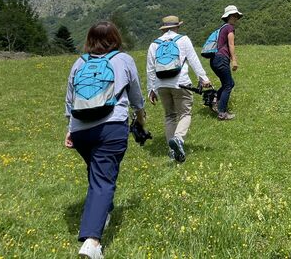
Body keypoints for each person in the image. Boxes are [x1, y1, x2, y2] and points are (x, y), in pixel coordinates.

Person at [64, 21, 146, 259]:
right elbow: (136, 95)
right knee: (103, 180)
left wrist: (70, 130)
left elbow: (69, 101)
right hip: (110, 128)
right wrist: (140, 118)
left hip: (80, 130)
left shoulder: (79, 63)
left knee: (97, 174)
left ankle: (102, 211)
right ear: (116, 38)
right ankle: (92, 242)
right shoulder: (123, 60)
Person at [146, 15, 211, 163]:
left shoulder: (154, 44)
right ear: (177, 27)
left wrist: (151, 89)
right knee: (185, 114)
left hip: (162, 85)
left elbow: (150, 69)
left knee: (170, 116)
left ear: (163, 29)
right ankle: (179, 140)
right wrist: (204, 78)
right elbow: (193, 60)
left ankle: (172, 150)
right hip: (180, 82)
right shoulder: (183, 40)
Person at [210, 5, 242, 121]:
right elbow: (231, 44)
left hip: (214, 60)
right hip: (222, 59)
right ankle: (222, 113)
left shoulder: (222, 28)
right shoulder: (229, 28)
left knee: (229, 83)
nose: (236, 18)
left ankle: (215, 100)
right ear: (230, 16)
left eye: (237, 16)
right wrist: (234, 60)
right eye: (235, 16)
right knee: (228, 85)